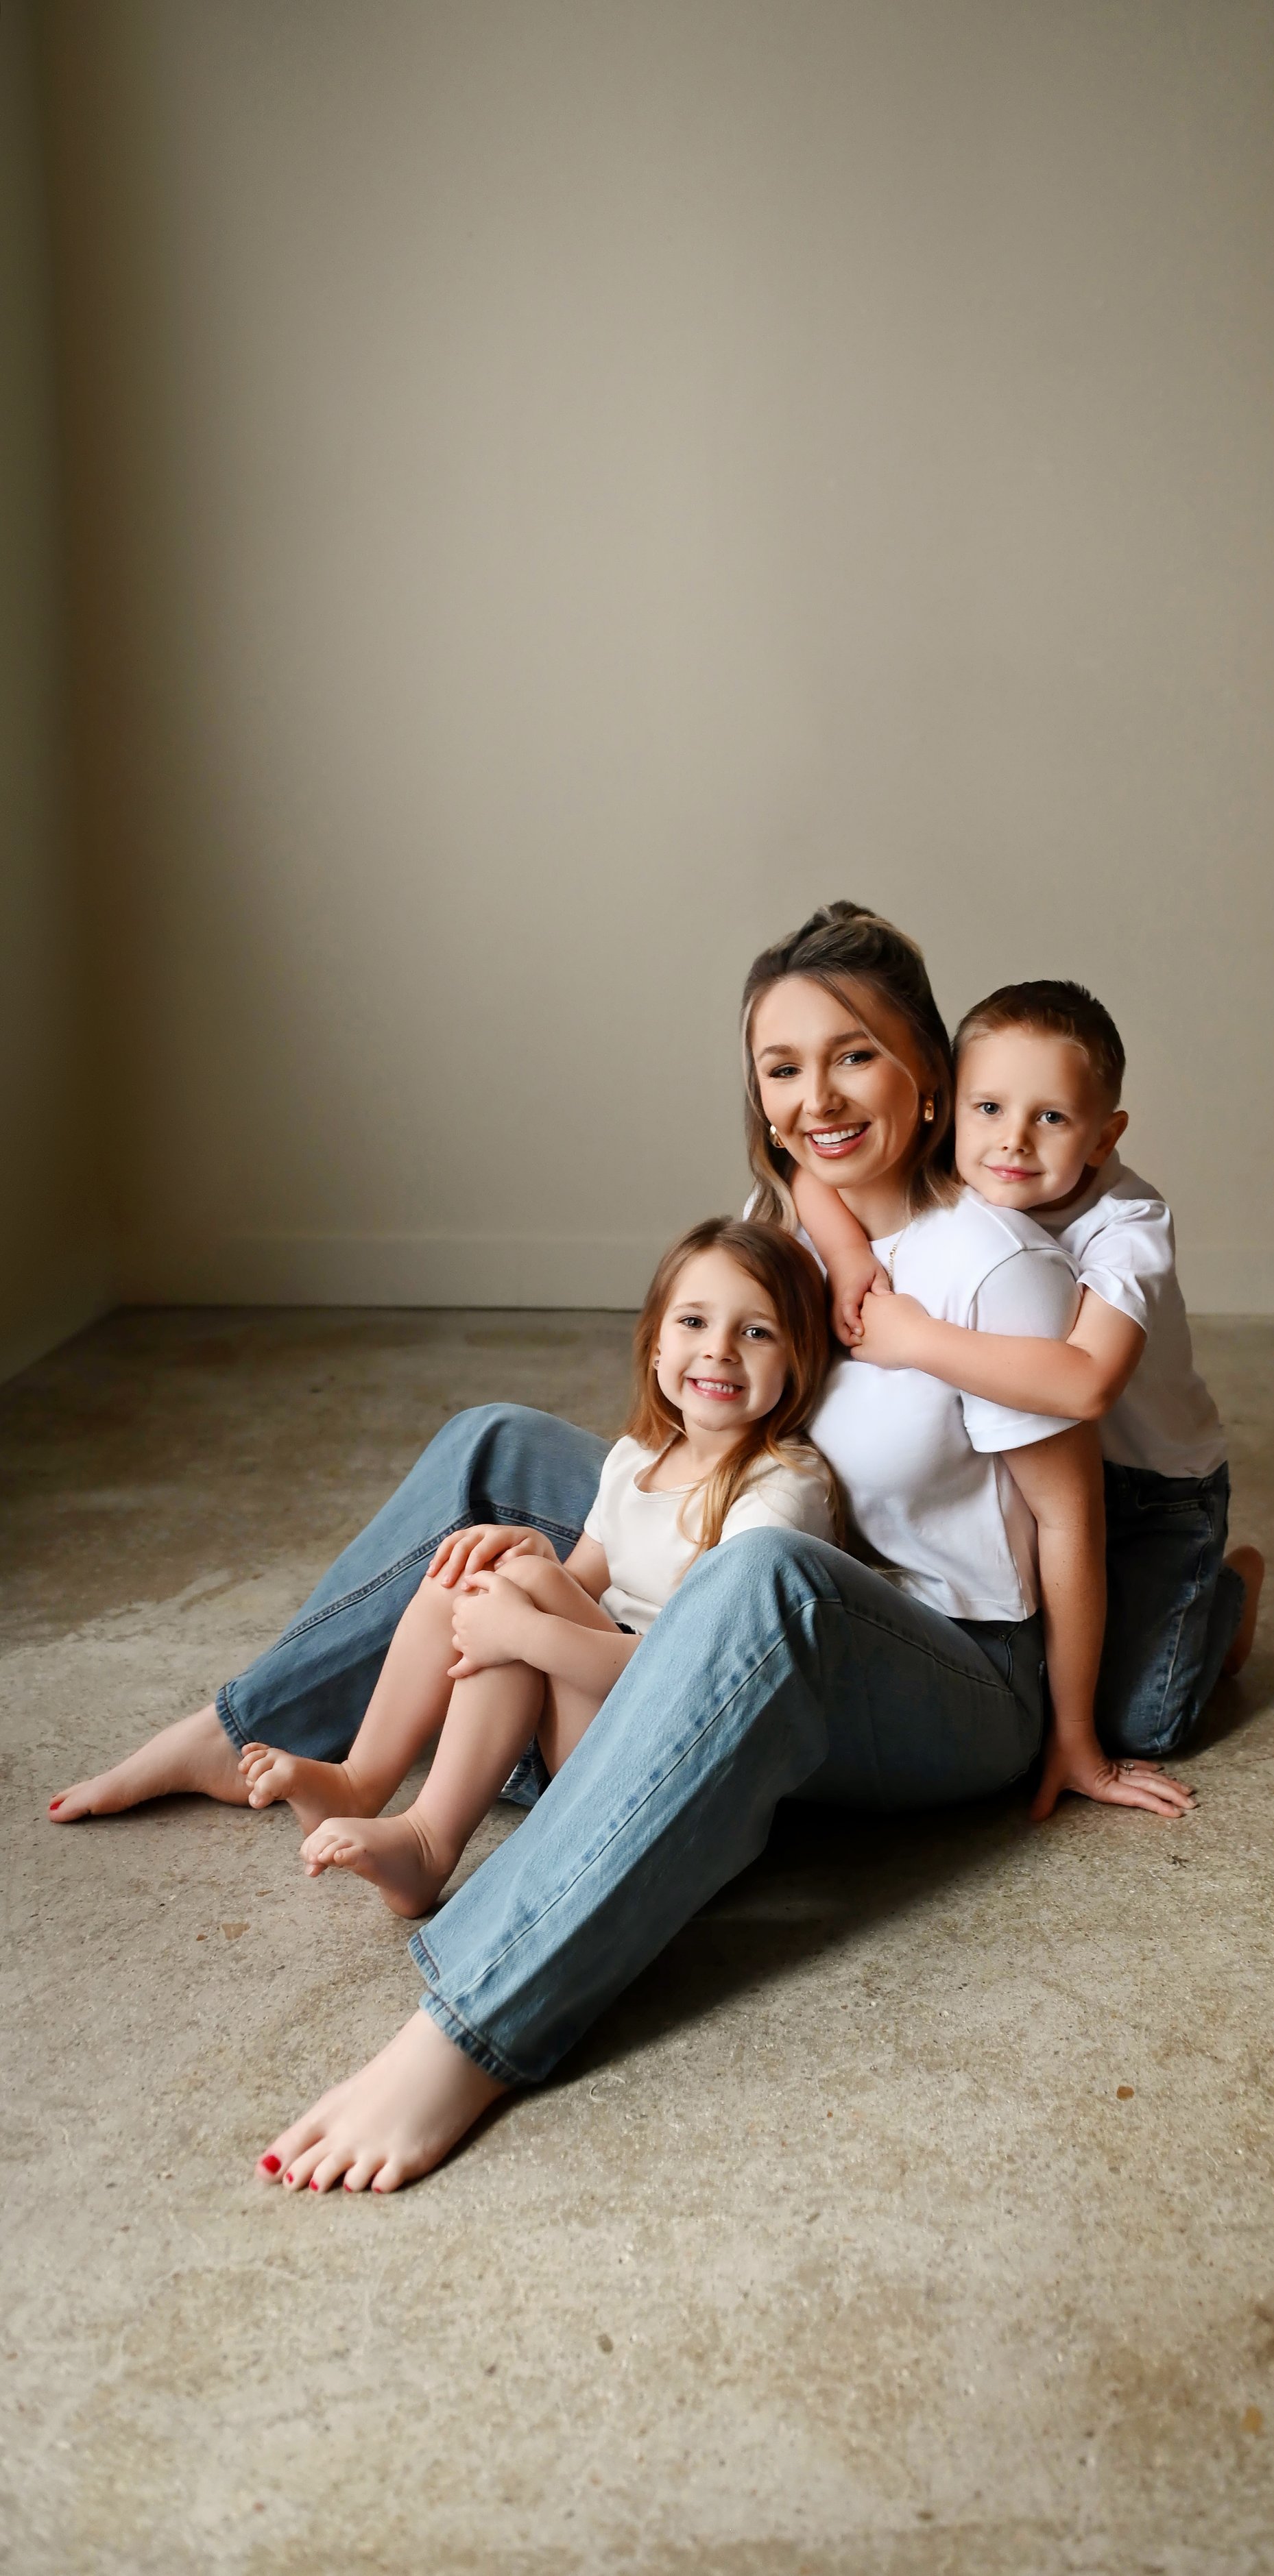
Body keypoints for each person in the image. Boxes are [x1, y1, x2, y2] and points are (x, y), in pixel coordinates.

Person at [51, 901, 1194, 2198]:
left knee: (756, 1578)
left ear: (927, 1070)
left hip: (950, 1665)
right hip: (777, 1561)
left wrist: (1071, 1736)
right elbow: (703, 1436)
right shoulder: (783, 1223)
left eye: (855, 1054)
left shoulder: (994, 1268)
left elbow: (1068, 1514)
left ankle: (468, 2026)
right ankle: (248, 1721)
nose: (819, 1094)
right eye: (781, 1065)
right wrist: (574, 1552)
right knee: (498, 1451)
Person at [236, 1220, 838, 1917]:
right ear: (655, 1344)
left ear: (798, 1360)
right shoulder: (639, 1461)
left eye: (756, 1332)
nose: (718, 1349)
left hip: (680, 1754)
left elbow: (697, 1676)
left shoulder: (778, 1492)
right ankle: (358, 1778)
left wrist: (526, 1628)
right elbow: (580, 1583)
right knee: (486, 1572)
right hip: (595, 1726)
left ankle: (430, 1840)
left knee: (512, 1605)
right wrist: (528, 1557)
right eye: (694, 1320)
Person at [791, 977, 1264, 1760]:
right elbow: (811, 1166)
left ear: (1104, 1136)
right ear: (946, 1105)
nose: (1012, 1139)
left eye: (1051, 1117)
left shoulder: (1128, 1223)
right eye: (989, 1108)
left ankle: (1231, 1591)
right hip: (1032, 1474)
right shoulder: (953, 1154)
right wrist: (845, 1255)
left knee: (1143, 1727)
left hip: (1152, 1489)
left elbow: (1085, 1382)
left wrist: (916, 1338)